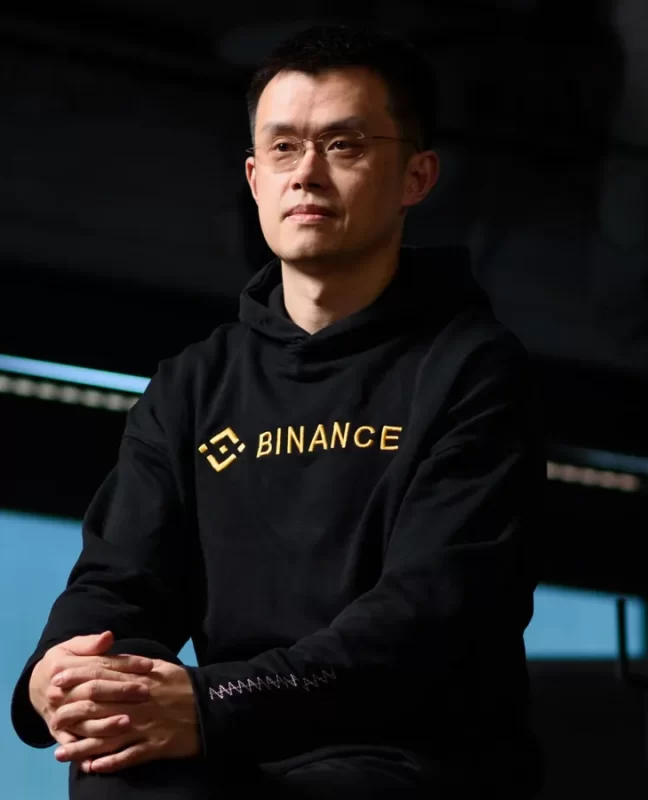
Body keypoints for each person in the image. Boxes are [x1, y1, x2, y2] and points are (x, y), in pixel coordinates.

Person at [11, 23, 545, 799]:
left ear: (416, 176)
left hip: (408, 762)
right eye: (285, 148)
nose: (308, 175)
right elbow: (121, 580)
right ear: (256, 177)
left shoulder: (473, 370)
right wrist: (61, 672)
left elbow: (432, 618)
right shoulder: (193, 384)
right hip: (235, 747)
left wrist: (212, 702)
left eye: (345, 145)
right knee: (115, 765)